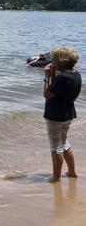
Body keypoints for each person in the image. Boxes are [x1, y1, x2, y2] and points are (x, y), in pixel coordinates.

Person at [43, 47, 81, 183]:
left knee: (55, 146)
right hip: (68, 113)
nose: (52, 60)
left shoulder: (61, 78)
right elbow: (59, 89)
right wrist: (53, 75)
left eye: (54, 58)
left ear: (61, 62)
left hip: (55, 115)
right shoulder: (76, 74)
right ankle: (71, 172)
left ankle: (56, 177)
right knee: (64, 143)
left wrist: (46, 77)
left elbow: (47, 94)